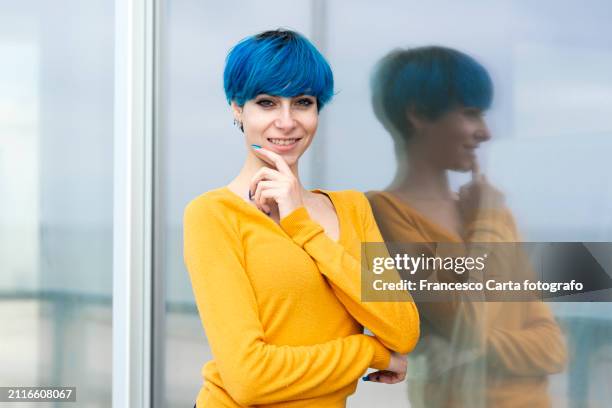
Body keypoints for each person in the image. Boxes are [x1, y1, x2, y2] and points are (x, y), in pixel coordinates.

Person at [183, 29, 420, 408]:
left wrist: (302, 226)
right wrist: (368, 352)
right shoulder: (213, 215)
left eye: (302, 102)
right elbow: (250, 380)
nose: (287, 121)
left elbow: (403, 330)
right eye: (266, 102)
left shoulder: (352, 208)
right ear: (237, 108)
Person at [367, 46, 567, 407]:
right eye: (471, 114)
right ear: (417, 114)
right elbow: (470, 322)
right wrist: (487, 223)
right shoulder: (383, 214)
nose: (486, 132)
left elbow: (553, 347)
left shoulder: (491, 213)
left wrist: (469, 349)